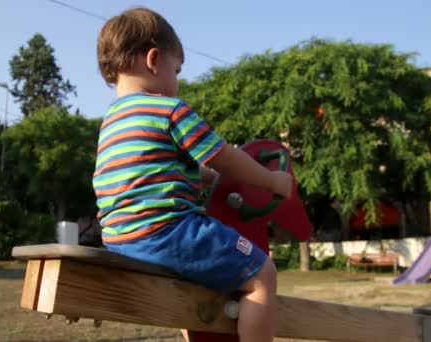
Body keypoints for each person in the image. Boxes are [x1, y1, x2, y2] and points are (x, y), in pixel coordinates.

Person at [93, 8, 293, 342]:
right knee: (262, 275)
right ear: (154, 60)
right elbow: (225, 157)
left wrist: (208, 179)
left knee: (194, 286)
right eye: (177, 69)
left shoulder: (112, 122)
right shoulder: (169, 109)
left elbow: (152, 173)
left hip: (119, 238)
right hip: (168, 232)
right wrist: (272, 180)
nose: (177, 79)